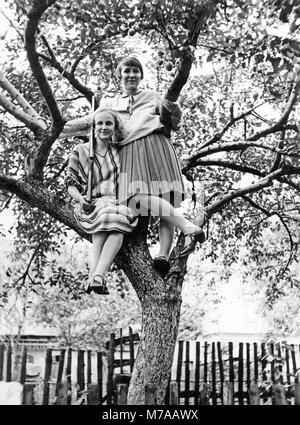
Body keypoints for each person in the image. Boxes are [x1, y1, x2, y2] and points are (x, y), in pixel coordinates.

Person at [62, 56, 205, 277]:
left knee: (165, 199)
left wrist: (174, 109)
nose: (131, 75)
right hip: (128, 152)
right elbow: (88, 122)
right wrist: (56, 128)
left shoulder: (152, 96)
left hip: (157, 146)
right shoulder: (110, 104)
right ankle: (187, 226)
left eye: (135, 71)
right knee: (134, 198)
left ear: (141, 75)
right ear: (119, 75)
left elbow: (174, 122)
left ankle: (162, 257)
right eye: (127, 71)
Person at [65, 108, 138, 295]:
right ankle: (98, 276)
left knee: (115, 221)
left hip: (118, 203)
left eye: (109, 123)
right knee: (107, 217)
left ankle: (95, 276)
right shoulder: (80, 151)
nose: (104, 127)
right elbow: (70, 184)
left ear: (115, 127)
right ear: (93, 127)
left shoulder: (122, 151)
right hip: (92, 203)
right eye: (100, 123)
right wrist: (81, 199)